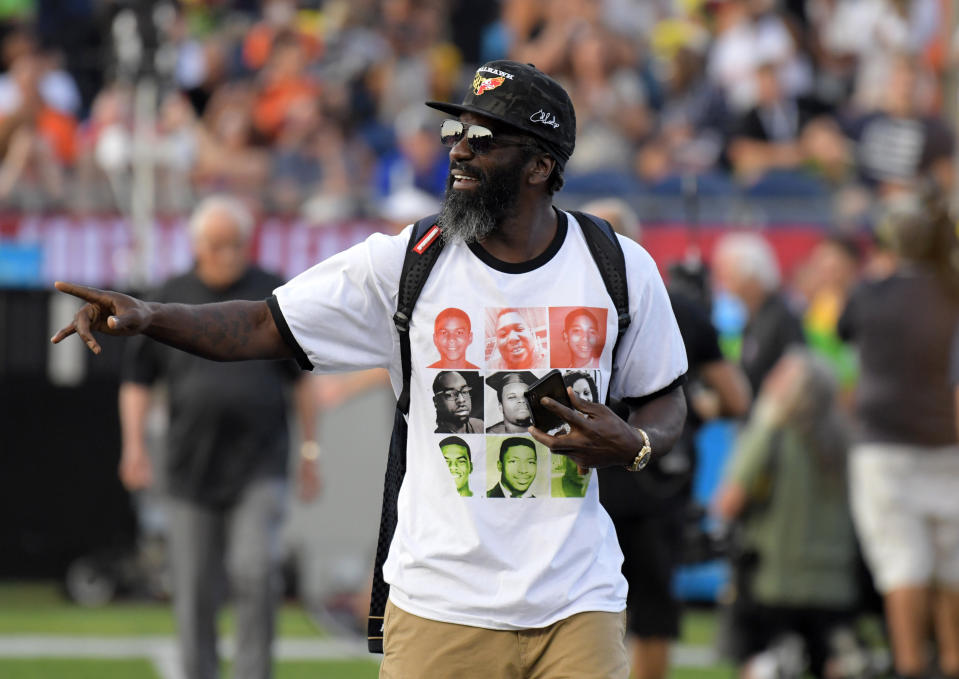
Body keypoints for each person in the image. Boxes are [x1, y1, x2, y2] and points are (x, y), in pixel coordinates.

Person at [51, 60, 688, 678]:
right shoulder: (405, 264)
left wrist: (634, 444)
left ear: (541, 165)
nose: (458, 151)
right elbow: (260, 325)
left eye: (481, 138)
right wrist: (150, 315)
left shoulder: (617, 265)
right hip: (440, 604)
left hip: (577, 603)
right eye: (453, 133)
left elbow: (664, 399)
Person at [116, 195, 321, 679]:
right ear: (197, 245)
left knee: (256, 570)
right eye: (217, 244)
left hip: (260, 460)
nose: (227, 254)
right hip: (189, 464)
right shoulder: (168, 295)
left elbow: (303, 382)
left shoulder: (272, 294)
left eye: (235, 244)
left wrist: (311, 451)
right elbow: (138, 381)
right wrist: (134, 446)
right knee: (192, 586)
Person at [584, 196, 751, 679]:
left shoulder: (568, 304)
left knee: (590, 611)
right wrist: (696, 404)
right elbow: (734, 398)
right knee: (651, 617)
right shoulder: (680, 307)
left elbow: (734, 399)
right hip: (654, 480)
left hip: (595, 482)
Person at [839, 191, 959, 679]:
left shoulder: (872, 292)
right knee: (952, 566)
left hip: (884, 446)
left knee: (902, 566)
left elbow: (846, 327)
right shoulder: (951, 290)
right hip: (946, 444)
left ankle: (910, 664)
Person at [714, 349, 858, 679]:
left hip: (773, 582)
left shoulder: (772, 431)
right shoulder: (847, 439)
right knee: (830, 661)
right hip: (836, 583)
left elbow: (728, 502)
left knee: (764, 665)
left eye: (779, 376)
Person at [712, 231, 805, 396]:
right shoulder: (751, 316)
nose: (722, 280)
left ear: (750, 275)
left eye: (728, 271)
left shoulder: (781, 318)